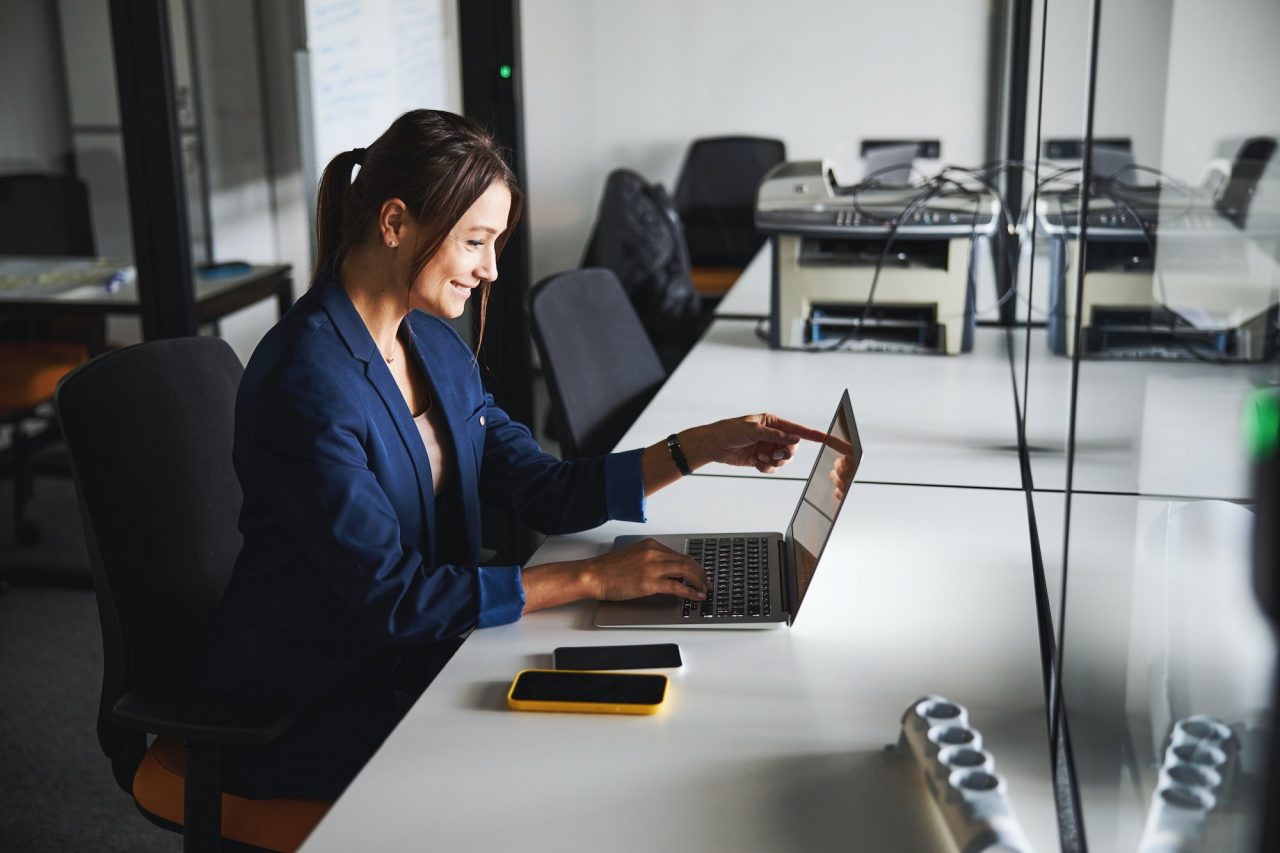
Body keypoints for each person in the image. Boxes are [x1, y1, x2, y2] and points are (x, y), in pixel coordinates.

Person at [201, 109, 823, 799]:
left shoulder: (430, 341)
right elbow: (394, 598)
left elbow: (542, 488)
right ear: (395, 222)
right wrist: (590, 580)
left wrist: (700, 446)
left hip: (431, 656)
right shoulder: (306, 381)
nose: (491, 268)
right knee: (572, 774)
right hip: (319, 701)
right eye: (475, 241)